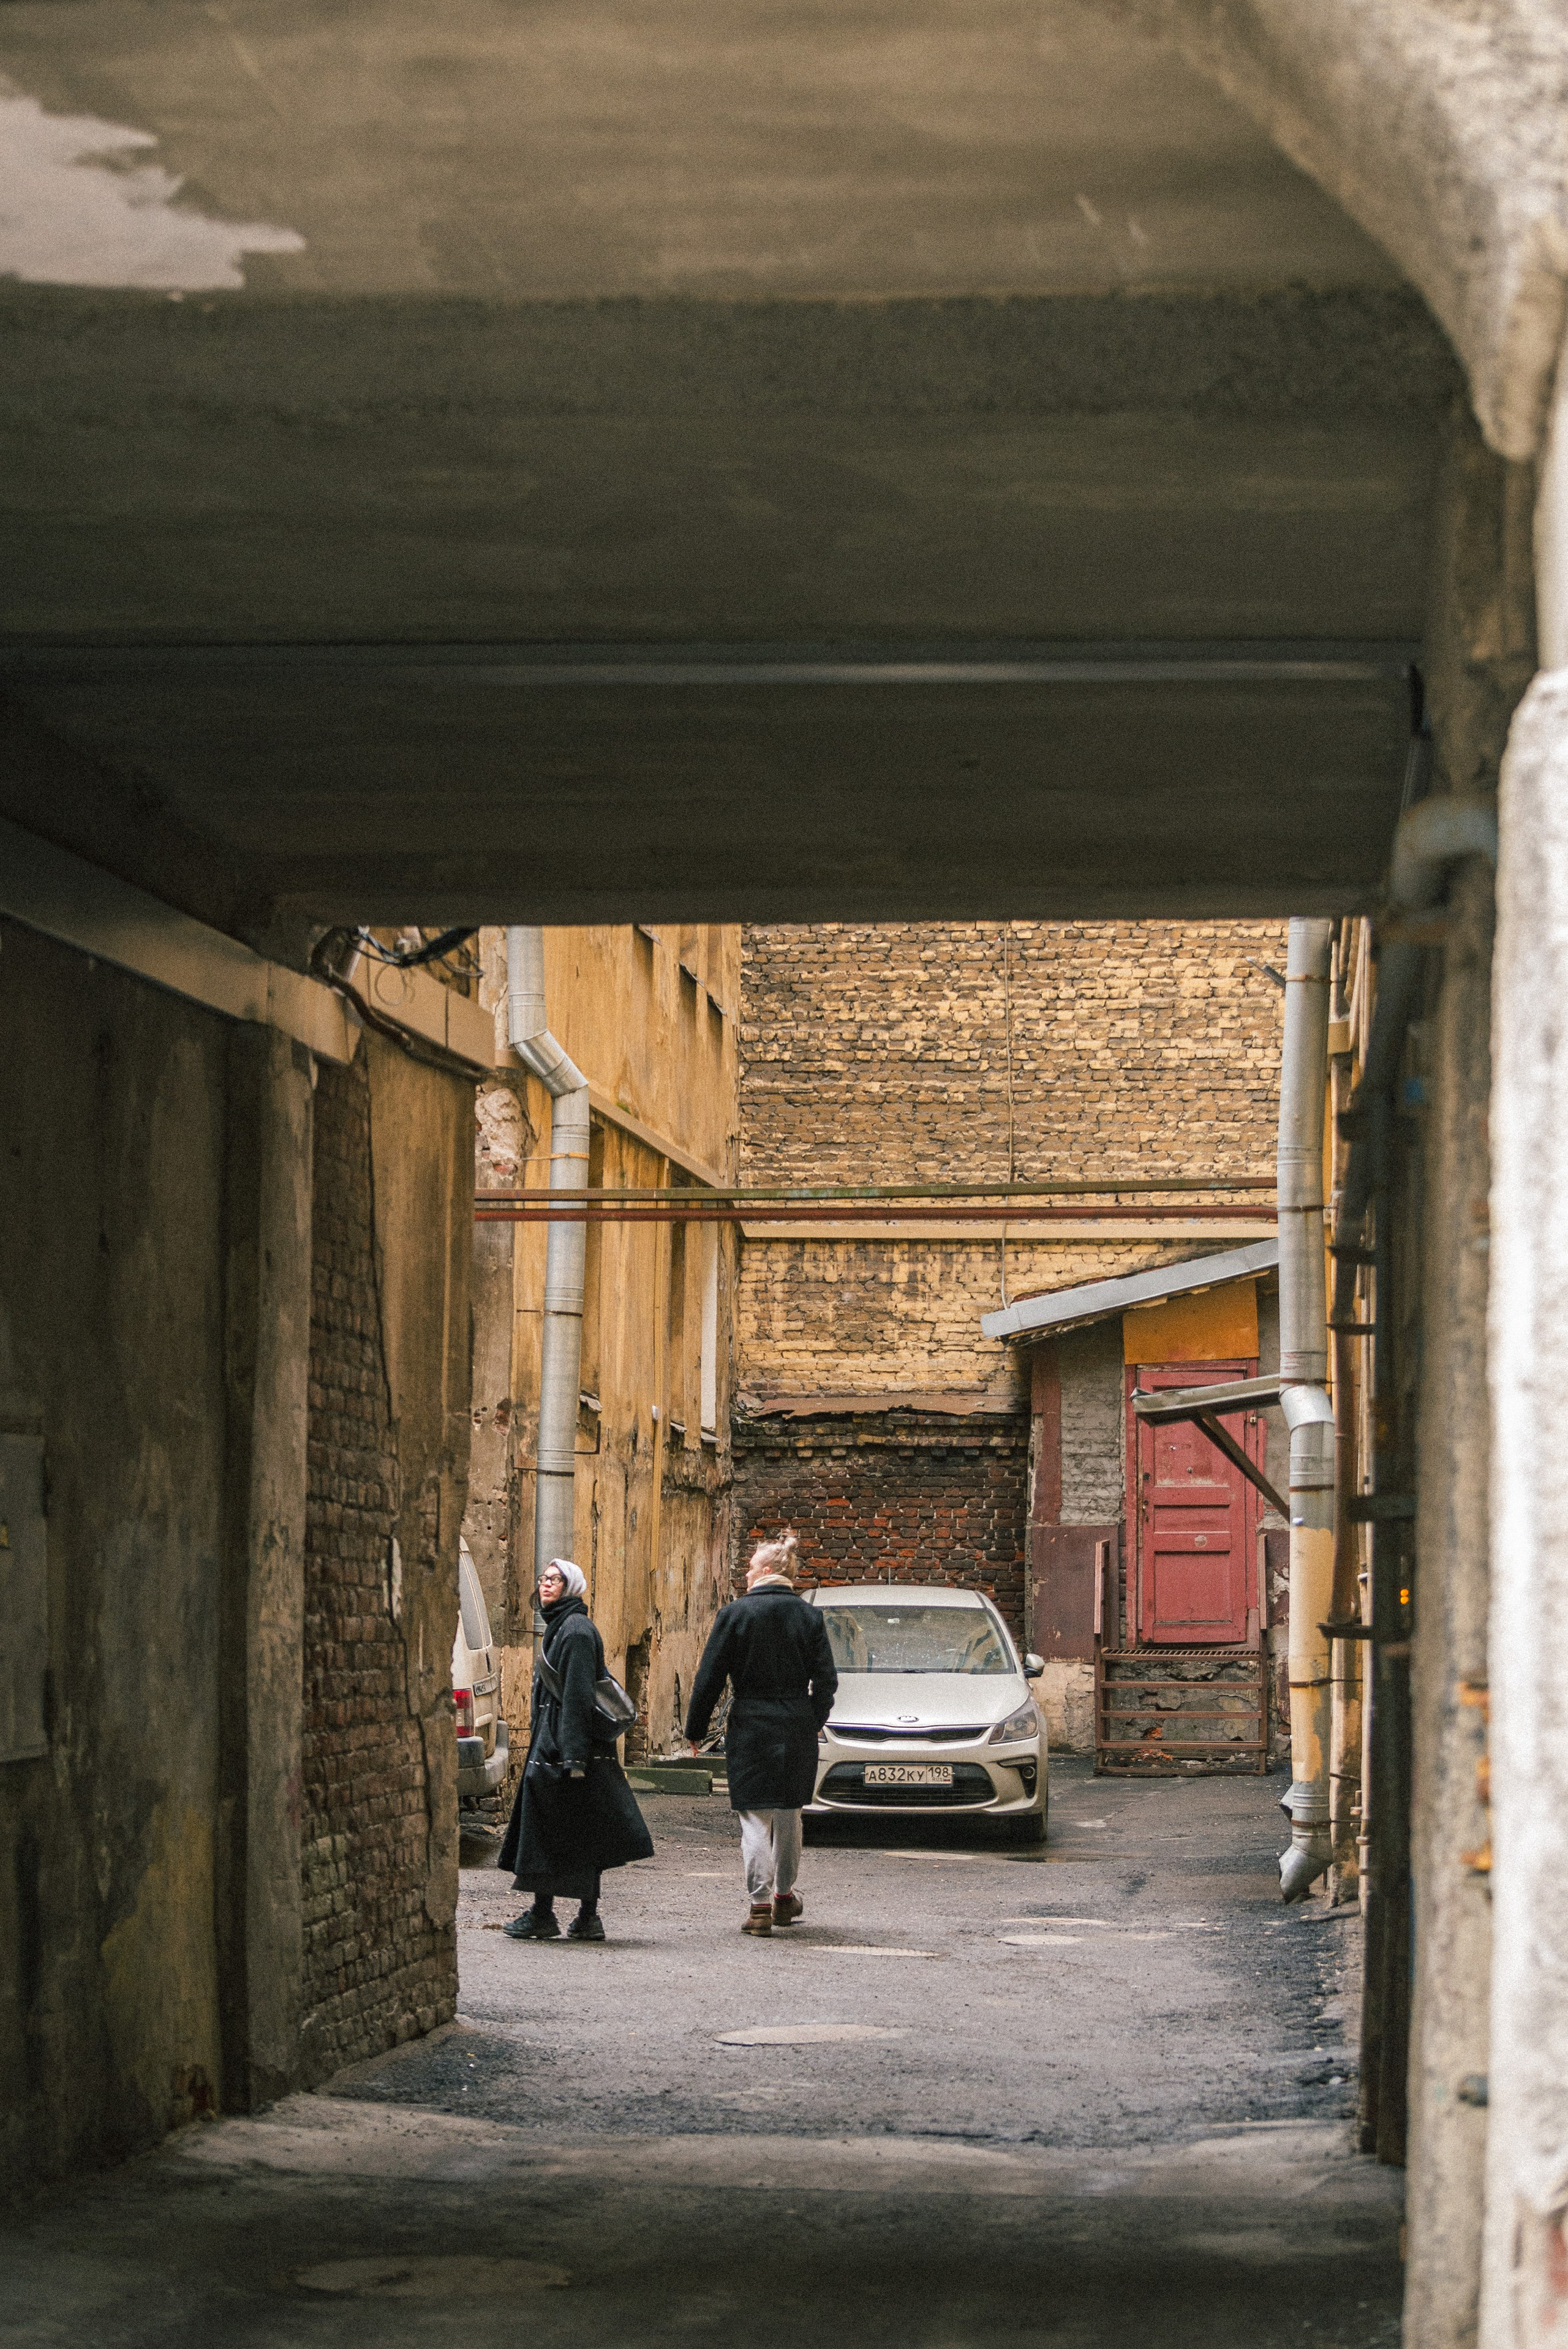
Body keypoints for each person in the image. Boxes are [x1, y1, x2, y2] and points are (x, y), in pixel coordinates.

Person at [685, 1530, 838, 1936]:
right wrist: (813, 1718)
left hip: (751, 1722)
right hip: (796, 1722)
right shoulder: (809, 1617)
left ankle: (759, 1908)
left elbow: (709, 1677)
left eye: (751, 1567)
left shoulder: (735, 1615)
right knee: (789, 1813)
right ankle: (784, 1899)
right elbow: (826, 1680)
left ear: (767, 1569)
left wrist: (695, 1728)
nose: (747, 1573)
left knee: (754, 1816)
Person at [498, 1558, 653, 1942]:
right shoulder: (561, 1626)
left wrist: (574, 1758)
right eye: (544, 1578)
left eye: (556, 1579)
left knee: (577, 1832)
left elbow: (578, 1696)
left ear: (571, 1586)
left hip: (570, 1748)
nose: (546, 1584)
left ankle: (573, 1916)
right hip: (558, 1743)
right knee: (556, 1829)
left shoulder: (577, 1631)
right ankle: (556, 1914)